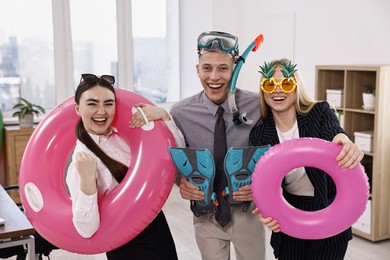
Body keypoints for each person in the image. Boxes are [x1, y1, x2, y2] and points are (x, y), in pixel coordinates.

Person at [250, 58, 364, 260]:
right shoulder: (259, 133)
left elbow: (335, 133)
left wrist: (345, 142)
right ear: (263, 90)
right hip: (288, 212)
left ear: (296, 86)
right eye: (270, 84)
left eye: (286, 83)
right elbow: (263, 181)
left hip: (329, 208)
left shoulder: (319, 112)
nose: (278, 90)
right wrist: (266, 209)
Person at [66, 73, 184, 260]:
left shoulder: (124, 139)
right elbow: (86, 229)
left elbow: (177, 158)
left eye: (108, 103)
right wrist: (88, 182)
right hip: (125, 242)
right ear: (78, 109)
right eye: (92, 103)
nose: (101, 111)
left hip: (156, 226)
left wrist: (164, 116)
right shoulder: (81, 161)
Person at [170, 31, 266, 260]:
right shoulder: (181, 113)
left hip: (247, 214)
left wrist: (262, 186)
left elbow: (276, 151)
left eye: (223, 68)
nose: (214, 76)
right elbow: (173, 161)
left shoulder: (259, 106)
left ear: (234, 70)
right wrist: (180, 182)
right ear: (198, 70)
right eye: (207, 68)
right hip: (206, 216)